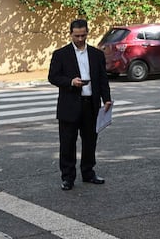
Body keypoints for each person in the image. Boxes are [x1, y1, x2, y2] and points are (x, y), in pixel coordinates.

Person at [48, 19, 112, 191]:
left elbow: (102, 78)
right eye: (77, 36)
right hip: (69, 104)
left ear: (87, 33)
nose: (80, 39)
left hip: (90, 104)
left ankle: (88, 172)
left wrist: (107, 98)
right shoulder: (61, 54)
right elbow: (53, 77)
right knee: (67, 143)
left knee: (90, 141)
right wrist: (70, 81)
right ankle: (68, 177)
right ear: (70, 34)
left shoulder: (96, 54)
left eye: (83, 35)